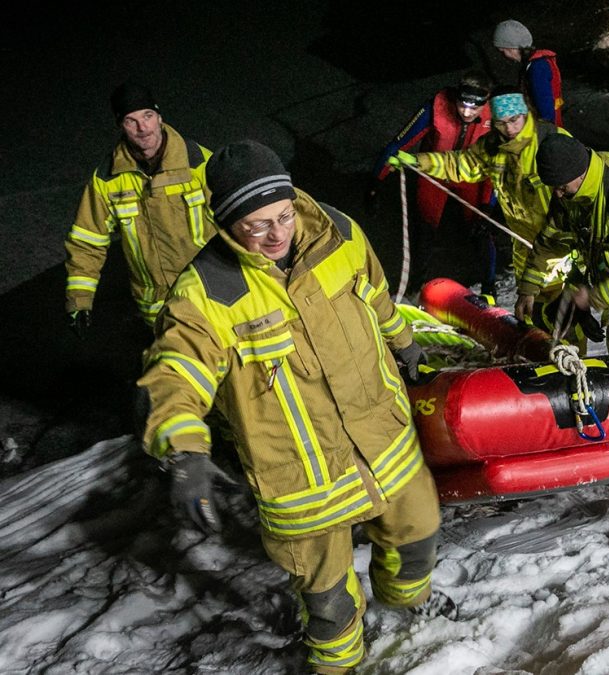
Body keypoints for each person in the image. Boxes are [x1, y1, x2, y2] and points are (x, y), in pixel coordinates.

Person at [136, 140, 456, 674]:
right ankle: (337, 666)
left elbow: (375, 294)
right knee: (328, 600)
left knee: (418, 535)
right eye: (257, 226)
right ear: (225, 223)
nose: (277, 234)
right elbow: (174, 372)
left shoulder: (339, 233)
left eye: (283, 215)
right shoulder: (206, 292)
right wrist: (184, 452)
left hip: (383, 437)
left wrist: (405, 344)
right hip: (298, 476)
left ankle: (407, 602)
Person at [389, 88, 573, 316]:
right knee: (534, 310)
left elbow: (580, 193)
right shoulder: (493, 146)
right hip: (524, 244)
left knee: (564, 312)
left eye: (514, 120)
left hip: (559, 242)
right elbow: (462, 164)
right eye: (502, 122)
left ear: (526, 113)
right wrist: (419, 161)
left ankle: (571, 349)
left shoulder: (551, 142)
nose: (509, 129)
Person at [64, 82, 216, 334]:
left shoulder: (198, 162)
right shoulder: (107, 180)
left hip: (208, 292)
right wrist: (79, 299)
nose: (142, 128)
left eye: (147, 116)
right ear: (120, 127)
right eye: (130, 121)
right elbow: (87, 241)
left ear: (159, 117)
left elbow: (238, 222)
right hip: (156, 308)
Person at [517, 134, 609, 353]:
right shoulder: (568, 192)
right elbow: (550, 241)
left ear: (581, 173)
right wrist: (528, 289)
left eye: (562, 187)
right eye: (553, 188)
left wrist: (591, 297)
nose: (557, 195)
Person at [368, 72, 497, 295]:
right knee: (424, 228)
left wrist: (488, 205)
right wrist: (375, 183)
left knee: (482, 229)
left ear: (484, 104)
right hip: (434, 173)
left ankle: (489, 286)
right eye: (462, 104)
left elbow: (496, 165)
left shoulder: (495, 119)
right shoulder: (435, 109)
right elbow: (398, 144)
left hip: (471, 175)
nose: (466, 112)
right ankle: (415, 286)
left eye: (474, 108)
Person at [493, 19, 564, 127]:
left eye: (503, 51)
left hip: (546, 127)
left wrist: (544, 132)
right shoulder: (538, 62)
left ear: (512, 48)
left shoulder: (537, 68)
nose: (503, 56)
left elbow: (545, 108)